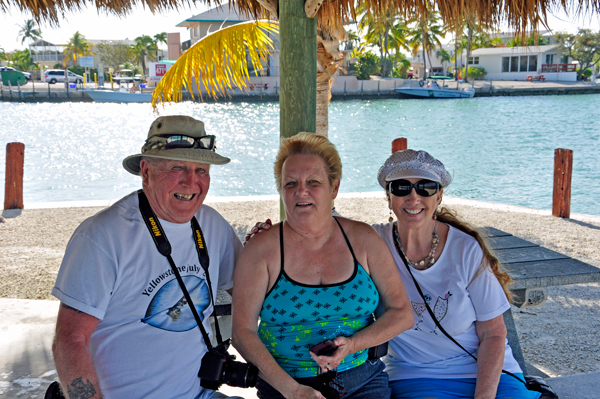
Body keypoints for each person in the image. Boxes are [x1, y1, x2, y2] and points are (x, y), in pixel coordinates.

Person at [52, 115, 243, 399]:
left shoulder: (213, 225)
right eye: (178, 167)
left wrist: (269, 247)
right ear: (146, 170)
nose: (192, 182)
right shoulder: (102, 235)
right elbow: (69, 340)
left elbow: (251, 293)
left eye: (201, 169)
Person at [232, 132, 413, 399]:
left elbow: (402, 313)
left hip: (361, 381)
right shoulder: (262, 249)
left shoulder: (363, 240)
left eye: (313, 182)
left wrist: (352, 345)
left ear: (335, 187)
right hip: (285, 385)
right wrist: (293, 391)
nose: (300, 191)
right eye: (290, 183)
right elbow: (242, 332)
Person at [374, 149, 541, 399]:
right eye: (401, 188)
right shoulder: (372, 243)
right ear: (388, 197)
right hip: (416, 376)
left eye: (426, 187)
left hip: (487, 373)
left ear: (439, 195)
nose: (413, 197)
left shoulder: (465, 249)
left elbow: (493, 333)